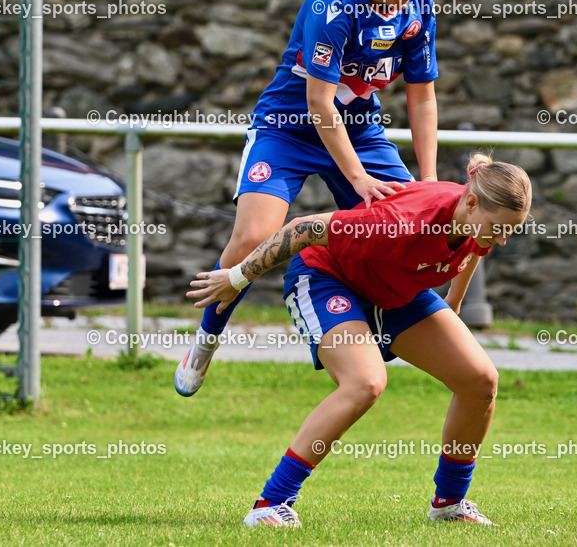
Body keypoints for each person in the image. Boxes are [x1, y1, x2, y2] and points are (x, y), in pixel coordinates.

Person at [176, 0, 441, 397]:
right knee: (254, 239)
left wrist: (427, 180)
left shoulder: (419, 8)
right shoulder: (332, 6)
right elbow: (320, 105)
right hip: (289, 128)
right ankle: (206, 339)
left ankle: (378, 334)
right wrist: (359, 179)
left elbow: (422, 96)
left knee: (404, 228)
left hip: (360, 130)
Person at [187, 154, 532, 527]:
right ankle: (270, 504)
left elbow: (473, 251)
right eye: (499, 228)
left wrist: (454, 301)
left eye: (511, 230)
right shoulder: (401, 223)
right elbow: (303, 229)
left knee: (480, 381)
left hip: (395, 287)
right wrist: (237, 277)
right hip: (327, 277)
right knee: (364, 383)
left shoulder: (477, 219)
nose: (502, 240)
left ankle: (448, 504)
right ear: (470, 202)